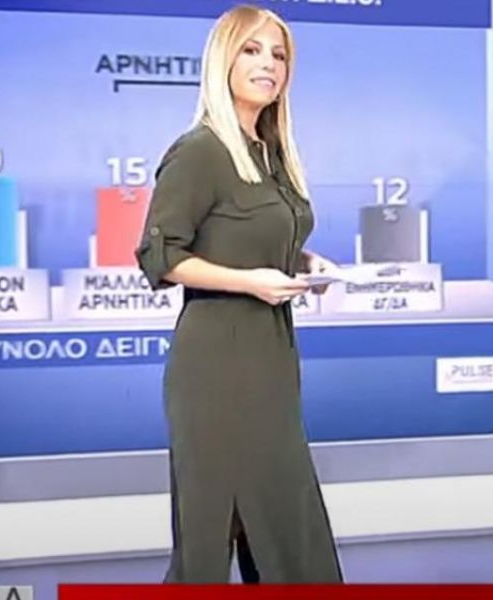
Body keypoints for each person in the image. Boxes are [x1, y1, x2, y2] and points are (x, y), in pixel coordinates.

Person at [134, 4, 343, 584]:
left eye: (278, 55)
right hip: (217, 369)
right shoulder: (200, 151)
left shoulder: (272, 155)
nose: (268, 64)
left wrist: (302, 262)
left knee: (287, 528)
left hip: (270, 366)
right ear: (223, 60)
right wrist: (252, 281)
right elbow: (160, 255)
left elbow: (247, 237)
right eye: (252, 50)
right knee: (213, 535)